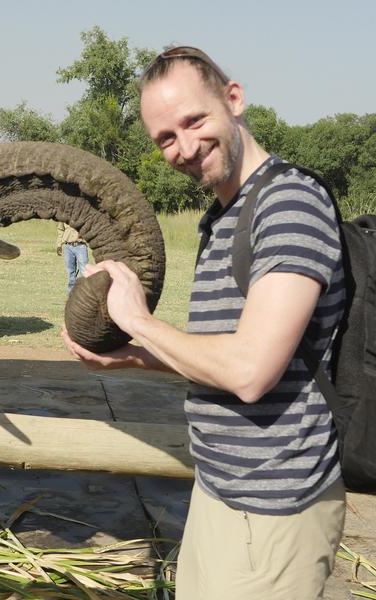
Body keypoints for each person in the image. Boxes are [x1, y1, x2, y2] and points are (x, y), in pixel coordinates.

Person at [61, 46, 346, 600]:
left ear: (233, 99)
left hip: (274, 507)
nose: (185, 147)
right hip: (219, 492)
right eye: (166, 137)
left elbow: (249, 371)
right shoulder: (223, 217)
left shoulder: (288, 204)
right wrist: (133, 357)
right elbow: (222, 354)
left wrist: (139, 323)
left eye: (195, 121)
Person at [56, 222, 89, 293]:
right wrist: (59, 244)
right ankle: (71, 295)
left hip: (81, 246)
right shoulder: (64, 214)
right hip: (68, 246)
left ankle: (84, 294)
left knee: (84, 271)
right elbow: (60, 229)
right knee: (70, 272)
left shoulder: (83, 213)